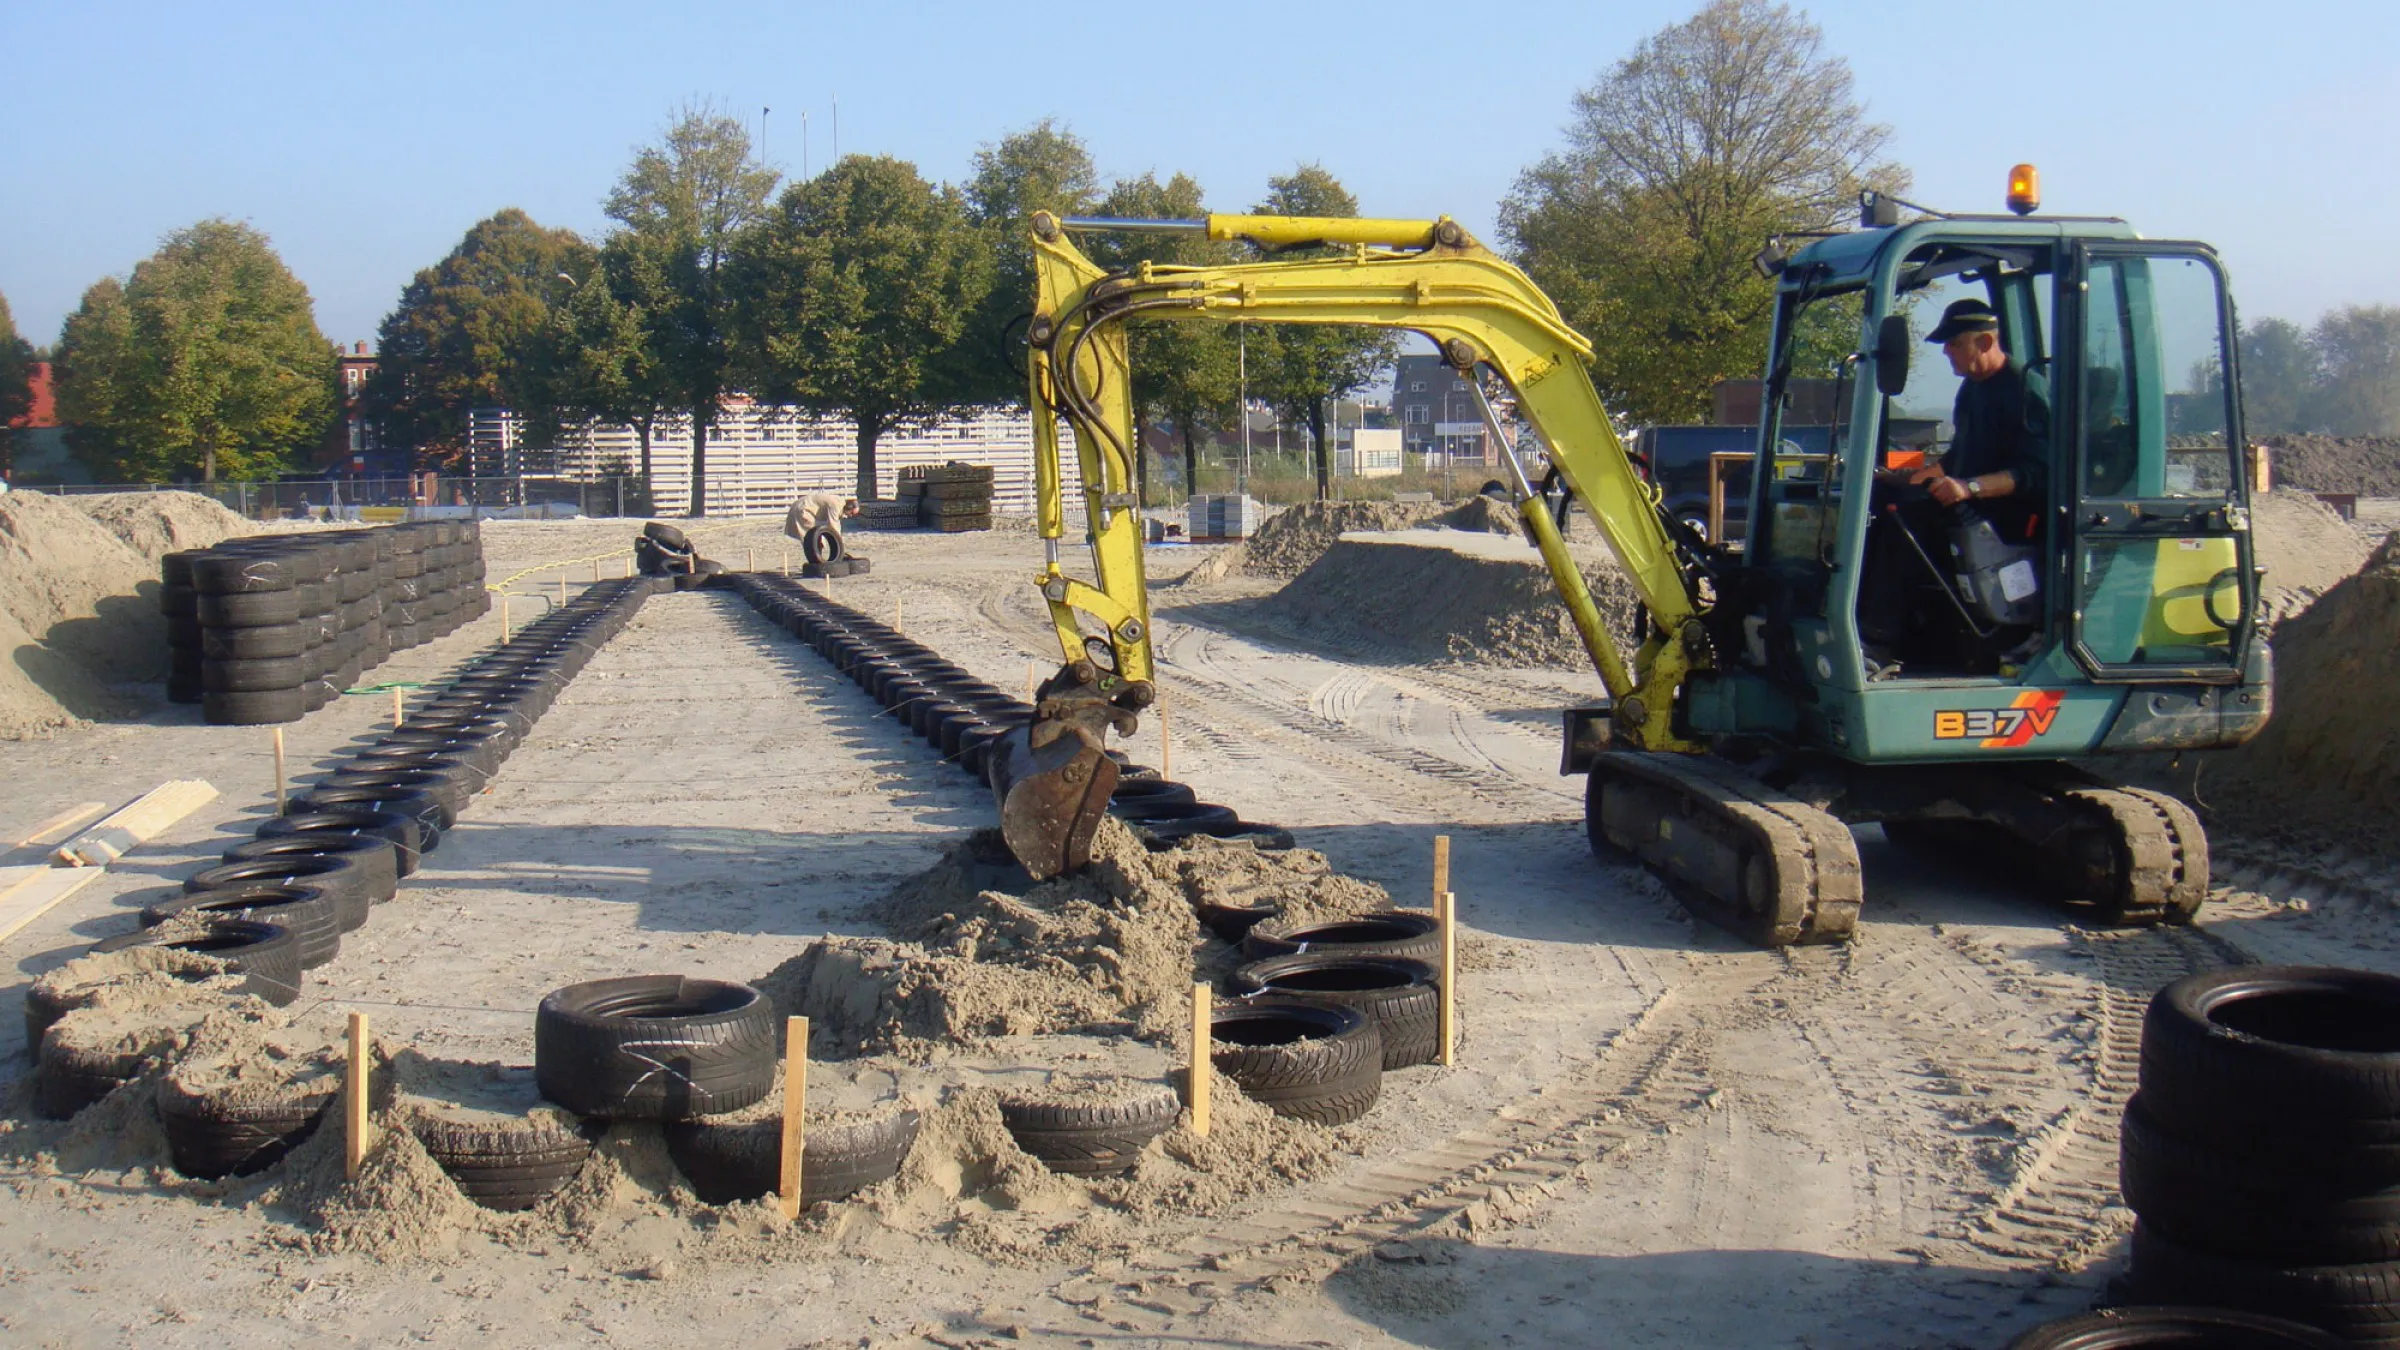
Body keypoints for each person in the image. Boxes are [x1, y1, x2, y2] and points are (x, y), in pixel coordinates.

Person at [1858, 298, 2051, 670]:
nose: (1947, 351)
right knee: (1881, 501)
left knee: (1908, 518)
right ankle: (1859, 620)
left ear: (1985, 342)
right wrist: (1907, 478)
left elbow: (2037, 474)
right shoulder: (1972, 390)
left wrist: (1970, 488)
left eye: (1954, 343)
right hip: (1968, 500)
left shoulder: (2025, 392)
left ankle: (1878, 642)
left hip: (2006, 515)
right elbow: (1956, 459)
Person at [784, 490, 859, 547]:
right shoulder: (836, 505)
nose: (851, 516)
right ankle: (815, 561)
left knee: (817, 538)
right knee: (814, 538)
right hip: (803, 509)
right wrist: (839, 545)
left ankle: (816, 559)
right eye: (851, 513)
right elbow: (833, 525)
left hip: (804, 507)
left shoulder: (840, 504)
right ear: (848, 508)